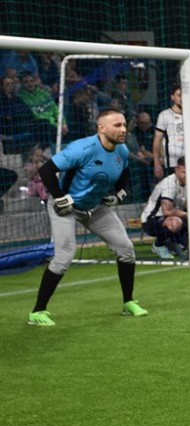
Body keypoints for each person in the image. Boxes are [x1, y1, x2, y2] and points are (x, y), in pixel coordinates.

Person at [28, 109, 147, 326]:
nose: (123, 129)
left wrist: (119, 194)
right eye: (117, 125)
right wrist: (60, 197)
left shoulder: (121, 149)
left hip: (94, 206)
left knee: (126, 249)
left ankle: (128, 302)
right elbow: (46, 170)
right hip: (65, 207)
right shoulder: (81, 149)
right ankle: (37, 312)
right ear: (101, 128)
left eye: (124, 124)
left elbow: (125, 171)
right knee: (64, 256)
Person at [141, 157, 190, 260]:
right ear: (176, 169)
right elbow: (166, 211)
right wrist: (188, 215)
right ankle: (159, 245)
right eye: (184, 172)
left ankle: (175, 242)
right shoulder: (169, 184)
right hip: (152, 220)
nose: (187, 175)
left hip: (173, 217)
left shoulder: (189, 183)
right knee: (176, 222)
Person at [153, 83, 185, 180]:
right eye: (179, 95)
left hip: (189, 161)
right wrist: (157, 163)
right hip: (172, 163)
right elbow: (157, 140)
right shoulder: (164, 115)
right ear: (172, 97)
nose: (182, 98)